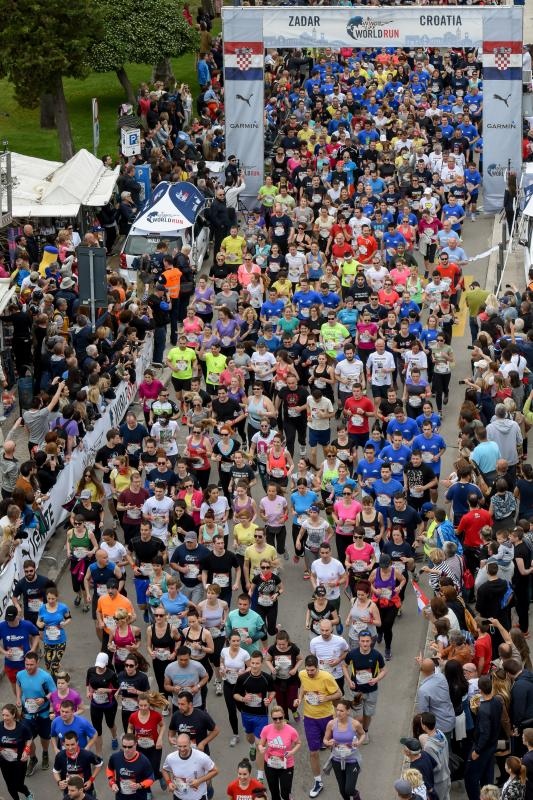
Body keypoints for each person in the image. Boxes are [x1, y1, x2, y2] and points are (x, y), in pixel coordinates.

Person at [295, 654, 342, 798]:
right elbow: (304, 686)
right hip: (310, 718)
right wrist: (299, 698)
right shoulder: (302, 674)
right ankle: (318, 782)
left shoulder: (326, 677)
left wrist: (327, 697)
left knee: (334, 746)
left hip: (327, 717)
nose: (310, 673)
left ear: (318, 667)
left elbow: (339, 693)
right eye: (308, 670)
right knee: (313, 752)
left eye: (312, 670)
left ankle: (344, 768)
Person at [233, 651, 276, 780]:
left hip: (262, 715)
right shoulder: (243, 678)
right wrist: (243, 699)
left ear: (261, 663)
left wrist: (269, 699)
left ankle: (260, 774)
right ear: (249, 663)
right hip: (246, 713)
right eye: (252, 663)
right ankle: (251, 746)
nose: (255, 666)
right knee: (250, 737)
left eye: (257, 663)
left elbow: (272, 691)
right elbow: (235, 694)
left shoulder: (266, 678)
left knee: (260, 745)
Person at [15, 651, 56, 775]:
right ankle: (33, 758)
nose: (28, 667)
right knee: (28, 737)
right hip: (27, 714)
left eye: (31, 664)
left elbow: (54, 692)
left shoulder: (45, 677)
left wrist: (44, 699)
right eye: (26, 664)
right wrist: (18, 697)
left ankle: (44, 753)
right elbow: (18, 684)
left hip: (43, 713)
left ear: (37, 663)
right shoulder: (20, 674)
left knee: (45, 737)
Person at [464, 674, 503, 800]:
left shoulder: (484, 710)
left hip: (483, 747)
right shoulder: (498, 701)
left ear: (480, 690)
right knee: (487, 775)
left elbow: (484, 733)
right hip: (492, 745)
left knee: (470, 777)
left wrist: (477, 751)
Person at [343, 629, 388, 739]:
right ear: (358, 641)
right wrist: (349, 681)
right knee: (358, 716)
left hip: (371, 691)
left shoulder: (376, 655)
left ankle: (365, 731)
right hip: (356, 690)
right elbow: (344, 666)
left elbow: (384, 670)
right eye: (362, 641)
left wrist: (376, 679)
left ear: (371, 641)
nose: (365, 644)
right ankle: (358, 732)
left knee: (368, 714)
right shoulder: (352, 654)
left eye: (367, 641)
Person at [323, 699, 365, 800]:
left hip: (352, 759)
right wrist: (328, 743)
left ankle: (357, 796)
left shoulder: (355, 724)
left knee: (349, 789)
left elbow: (363, 734)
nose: (338, 713)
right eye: (337, 710)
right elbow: (325, 739)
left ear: (348, 711)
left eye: (341, 711)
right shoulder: (331, 724)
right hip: (337, 759)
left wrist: (358, 742)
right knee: (342, 790)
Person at [258, 705, 301, 800]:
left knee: (285, 794)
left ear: (284, 716)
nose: (278, 721)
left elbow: (298, 743)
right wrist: (261, 748)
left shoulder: (291, 731)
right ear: (271, 718)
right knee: (274, 794)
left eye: (280, 718)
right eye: (275, 719)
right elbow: (261, 744)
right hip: (270, 765)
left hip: (286, 765)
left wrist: (292, 752)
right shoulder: (266, 729)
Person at [162, 733, 218, 799]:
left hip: (198, 797)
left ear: (190, 744)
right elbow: (164, 769)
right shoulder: (171, 757)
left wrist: (199, 781)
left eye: (185, 746)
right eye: (179, 746)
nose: (182, 749)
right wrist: (169, 782)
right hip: (178, 797)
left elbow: (215, 770)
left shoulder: (201, 757)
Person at [415, 658, 456, 741]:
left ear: (421, 671)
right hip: (450, 717)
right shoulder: (441, 677)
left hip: (439, 726)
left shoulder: (423, 690)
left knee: (443, 750)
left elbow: (424, 713)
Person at [0, 702, 33, 800]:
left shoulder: (22, 728)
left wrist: (26, 750)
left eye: (7, 715)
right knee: (10, 786)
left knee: (18, 785)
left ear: (13, 715)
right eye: (3, 715)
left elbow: (29, 738)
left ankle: (28, 793)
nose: (5, 718)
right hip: (4, 761)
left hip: (19, 762)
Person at [106, 733, 154, 800]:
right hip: (120, 796)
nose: (126, 749)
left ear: (135, 745)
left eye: (130, 747)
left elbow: (151, 778)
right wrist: (112, 783)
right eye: (124, 746)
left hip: (138, 796)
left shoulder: (144, 761)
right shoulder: (115, 757)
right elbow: (109, 769)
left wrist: (139, 785)